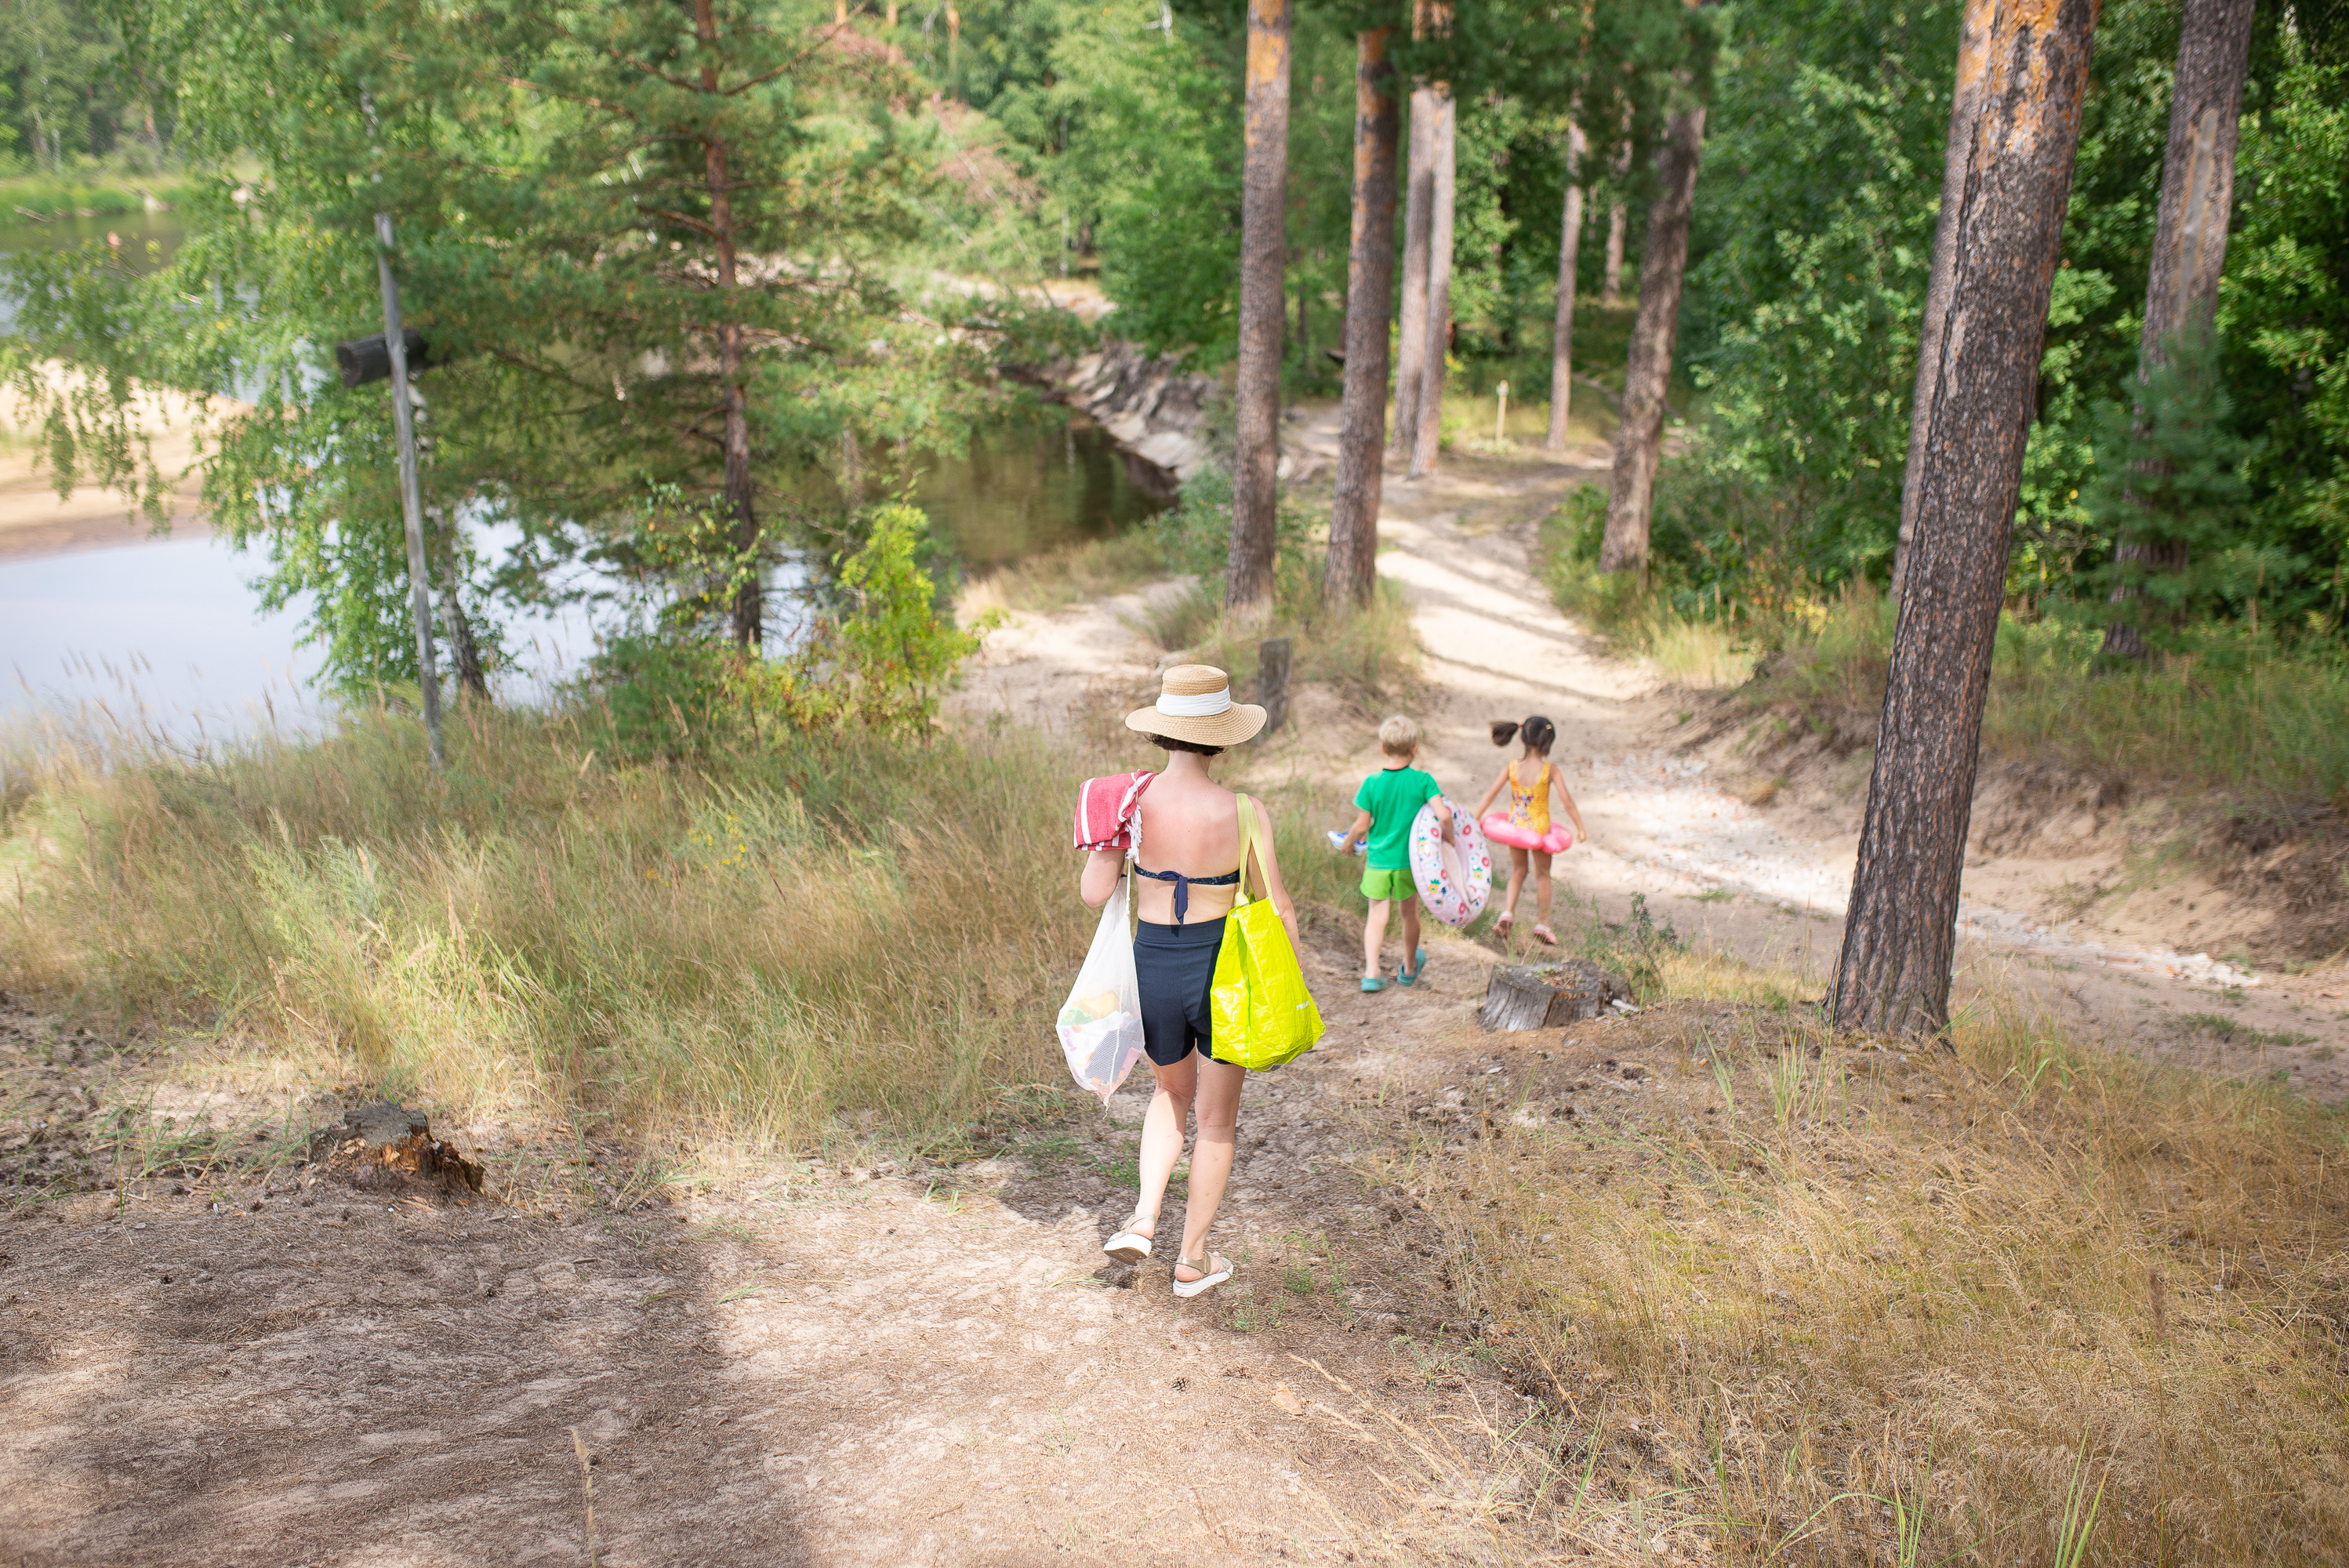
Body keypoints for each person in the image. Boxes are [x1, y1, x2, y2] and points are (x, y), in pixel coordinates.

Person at [1079, 664, 1298, 1300]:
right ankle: (1192, 1262)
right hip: (1222, 968)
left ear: (1162, 734)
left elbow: (1095, 893)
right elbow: (1277, 907)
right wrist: (1291, 983)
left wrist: (1115, 852)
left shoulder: (1127, 801)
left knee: (1169, 1095)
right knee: (1217, 1120)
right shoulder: (1247, 811)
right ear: (1224, 738)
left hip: (1154, 965)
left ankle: (1144, 1218)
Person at [1335, 715, 1453, 993]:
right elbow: (1444, 814)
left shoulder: (1372, 783)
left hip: (1378, 861)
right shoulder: (1423, 781)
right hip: (1409, 863)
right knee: (1409, 914)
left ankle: (1372, 972)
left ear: (1382, 748)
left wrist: (1349, 842)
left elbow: (1363, 825)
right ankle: (1410, 967)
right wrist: (1449, 838)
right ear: (1414, 748)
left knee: (1377, 915)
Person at [1475, 715, 1588, 946]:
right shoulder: (1550, 771)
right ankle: (1543, 924)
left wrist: (1477, 817)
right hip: (1538, 830)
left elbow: (1491, 793)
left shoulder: (1512, 767)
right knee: (1542, 875)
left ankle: (1507, 912)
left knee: (1519, 870)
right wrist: (1579, 827)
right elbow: (1567, 802)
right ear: (1548, 741)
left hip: (1516, 826)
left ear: (1523, 738)